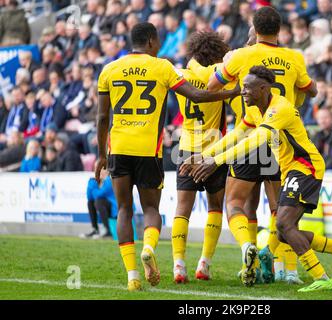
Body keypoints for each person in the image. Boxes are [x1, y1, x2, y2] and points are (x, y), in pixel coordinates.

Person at [181, 66, 332, 292]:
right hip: (291, 170)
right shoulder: (255, 109)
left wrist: (218, 161)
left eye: (247, 88)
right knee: (287, 233)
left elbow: (256, 141)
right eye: (243, 87)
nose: (242, 92)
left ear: (263, 88)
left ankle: (323, 277)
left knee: (284, 225)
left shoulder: (280, 109)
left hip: (305, 167)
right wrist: (204, 155)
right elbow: (237, 135)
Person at [95, 22, 239, 292]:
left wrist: (101, 155)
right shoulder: (162, 67)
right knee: (151, 209)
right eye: (158, 40)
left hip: (119, 147)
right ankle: (149, 247)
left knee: (125, 209)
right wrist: (232, 92)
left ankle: (133, 276)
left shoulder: (109, 69)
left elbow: (103, 116)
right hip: (151, 149)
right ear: (151, 41)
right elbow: (197, 94)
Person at [205, 6, 318, 286]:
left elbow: (210, 88)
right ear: (280, 30)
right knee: (282, 209)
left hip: (251, 133)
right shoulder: (294, 57)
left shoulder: (242, 56)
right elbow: (312, 90)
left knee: (237, 203)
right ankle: (287, 269)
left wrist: (229, 70)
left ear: (253, 29)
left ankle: (249, 253)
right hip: (282, 140)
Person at [171, 31, 230, 283]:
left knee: (182, 209)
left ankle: (178, 265)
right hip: (213, 151)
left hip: (186, 147)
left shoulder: (181, 75)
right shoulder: (219, 76)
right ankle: (204, 263)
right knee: (215, 207)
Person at [83, 167, 117, 239]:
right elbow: (89, 197)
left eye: (102, 170)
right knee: (90, 203)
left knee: (99, 201)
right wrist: (91, 182)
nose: (99, 172)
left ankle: (108, 231)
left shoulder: (109, 180)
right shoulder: (97, 182)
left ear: (107, 172)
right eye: (98, 169)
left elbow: (98, 195)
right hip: (107, 206)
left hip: (116, 209)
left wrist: (92, 187)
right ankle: (95, 229)